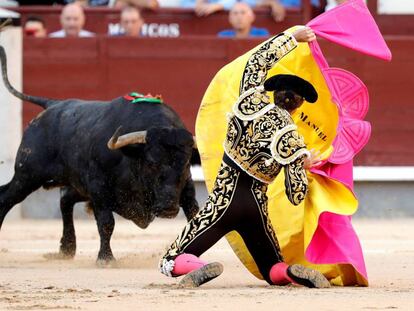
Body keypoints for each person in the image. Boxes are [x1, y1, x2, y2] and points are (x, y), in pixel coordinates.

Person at [159, 26, 331, 288]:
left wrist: (290, 38)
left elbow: (255, 62)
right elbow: (296, 194)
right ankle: (288, 272)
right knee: (272, 268)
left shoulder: (249, 102)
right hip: (256, 209)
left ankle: (200, 265)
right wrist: (300, 163)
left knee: (171, 261)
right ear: (297, 105)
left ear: (274, 93)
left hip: (224, 201)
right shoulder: (293, 140)